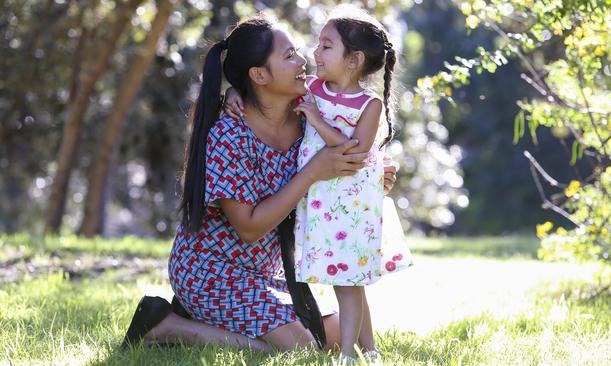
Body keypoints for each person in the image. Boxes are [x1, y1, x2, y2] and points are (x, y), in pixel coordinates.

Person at [121, 14, 399, 353]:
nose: (303, 60)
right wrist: (312, 172)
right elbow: (249, 228)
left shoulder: (308, 115)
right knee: (301, 349)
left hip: (265, 274)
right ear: (259, 75)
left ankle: (214, 323)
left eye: (298, 52)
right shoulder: (230, 135)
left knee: (344, 334)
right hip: (210, 270)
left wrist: (372, 172)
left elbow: (349, 141)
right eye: (289, 56)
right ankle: (166, 326)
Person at [224, 8, 413, 362]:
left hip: (348, 206)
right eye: (317, 45)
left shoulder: (357, 103)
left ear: (354, 60)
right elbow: (265, 84)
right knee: (348, 283)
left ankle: (353, 354)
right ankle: (365, 351)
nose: (312, 54)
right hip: (321, 205)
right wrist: (234, 91)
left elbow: (352, 150)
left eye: (325, 46)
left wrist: (317, 120)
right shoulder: (312, 90)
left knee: (349, 283)